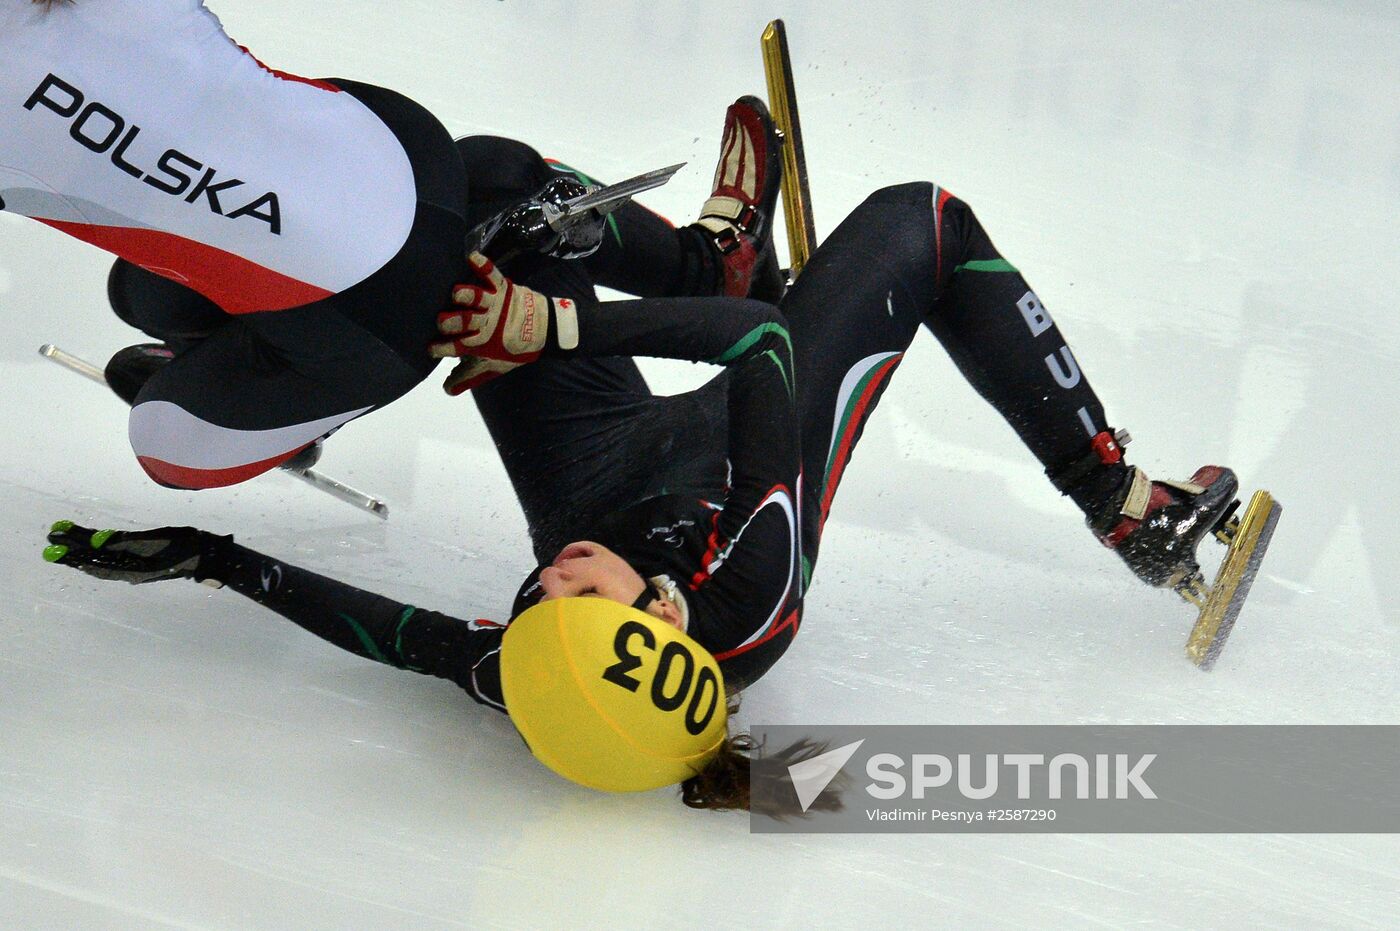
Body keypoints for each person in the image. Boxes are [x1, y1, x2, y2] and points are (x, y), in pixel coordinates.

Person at [42, 94, 1242, 811]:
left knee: (493, 193)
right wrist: (553, 327)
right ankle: (1125, 503)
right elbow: (760, 349)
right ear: (662, 617)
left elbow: (393, 635)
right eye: (578, 594)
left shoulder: (540, 664)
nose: (548, 577)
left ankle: (298, 378)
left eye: (534, 603)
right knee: (919, 219)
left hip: (590, 463)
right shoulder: (745, 593)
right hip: (751, 426)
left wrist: (212, 556)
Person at [1, 0, 775, 488]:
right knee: (140, 291)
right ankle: (702, 263)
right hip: (404, 147)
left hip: (371, 320)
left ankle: (314, 389)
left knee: (169, 441)